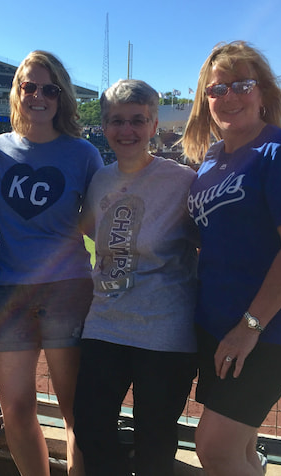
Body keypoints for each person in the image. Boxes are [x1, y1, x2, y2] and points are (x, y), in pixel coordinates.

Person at [182, 41, 281, 476]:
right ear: (205, 102)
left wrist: (250, 327)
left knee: (215, 448)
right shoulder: (209, 160)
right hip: (216, 323)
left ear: (263, 92)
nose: (229, 97)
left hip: (266, 328)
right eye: (217, 89)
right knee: (239, 451)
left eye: (242, 84)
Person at [72, 79, 198, 476]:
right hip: (105, 325)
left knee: (155, 442)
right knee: (92, 431)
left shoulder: (181, 181)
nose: (126, 131)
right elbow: (96, 233)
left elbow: (205, 243)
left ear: (154, 124)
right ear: (104, 126)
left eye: (137, 120)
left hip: (165, 330)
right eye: (116, 121)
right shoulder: (100, 179)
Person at [0, 50, 103, 476]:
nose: (39, 96)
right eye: (30, 86)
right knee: (15, 407)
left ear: (62, 97)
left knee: (75, 408)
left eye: (49, 89)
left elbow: (96, 222)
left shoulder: (82, 154)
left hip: (68, 288)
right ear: (17, 91)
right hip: (10, 291)